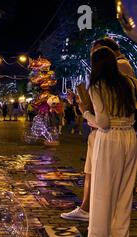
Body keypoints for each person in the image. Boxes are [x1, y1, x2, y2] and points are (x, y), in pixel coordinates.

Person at [62, 37, 136, 222]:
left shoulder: (120, 70)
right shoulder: (117, 78)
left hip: (109, 132)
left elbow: (108, 115)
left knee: (103, 176)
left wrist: (86, 111)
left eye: (94, 55)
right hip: (114, 132)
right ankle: (88, 208)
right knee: (91, 171)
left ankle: (97, 215)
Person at [79, 47, 137, 237]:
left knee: (102, 193)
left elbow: (102, 122)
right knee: (124, 194)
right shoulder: (129, 82)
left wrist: (85, 112)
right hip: (130, 137)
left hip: (109, 138)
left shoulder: (97, 86)